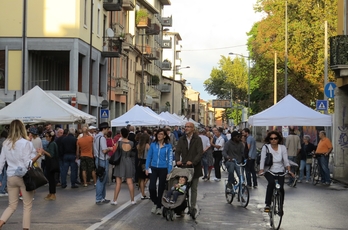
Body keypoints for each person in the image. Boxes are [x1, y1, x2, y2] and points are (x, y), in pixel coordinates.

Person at [0, 120, 42, 230]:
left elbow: (1, 162)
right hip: (24, 176)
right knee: (27, 205)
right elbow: (27, 163)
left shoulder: (5, 143)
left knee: (12, 205)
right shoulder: (26, 143)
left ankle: (0, 223)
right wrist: (38, 155)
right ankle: (25, 228)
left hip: (11, 177)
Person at [259, 130, 294, 212]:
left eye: (275, 138)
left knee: (281, 188)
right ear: (269, 139)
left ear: (278, 139)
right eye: (271, 139)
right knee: (271, 183)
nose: (273, 140)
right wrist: (261, 170)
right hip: (269, 170)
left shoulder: (283, 148)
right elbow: (262, 159)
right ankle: (267, 204)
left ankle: (280, 206)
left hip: (280, 170)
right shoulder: (266, 147)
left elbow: (286, 160)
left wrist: (289, 171)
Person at [175, 122, 203, 216]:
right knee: (182, 188)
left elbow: (200, 153)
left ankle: (192, 207)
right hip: (184, 167)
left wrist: (193, 162)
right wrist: (178, 160)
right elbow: (177, 151)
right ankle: (181, 207)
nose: (186, 128)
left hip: (195, 167)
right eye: (185, 127)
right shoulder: (181, 139)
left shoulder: (197, 139)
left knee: (193, 188)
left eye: (188, 127)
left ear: (193, 129)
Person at [145, 128, 173, 215]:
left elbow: (170, 159)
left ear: (165, 136)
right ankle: (157, 202)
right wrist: (146, 167)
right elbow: (149, 156)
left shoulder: (168, 146)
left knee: (161, 188)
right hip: (153, 168)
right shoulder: (153, 145)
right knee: (151, 187)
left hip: (163, 168)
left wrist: (169, 170)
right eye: (158, 134)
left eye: (161, 134)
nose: (159, 135)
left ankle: (158, 207)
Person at [111, 128, 136, 205]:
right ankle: (132, 200)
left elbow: (114, 150)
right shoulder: (131, 143)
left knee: (118, 182)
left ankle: (115, 200)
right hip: (128, 161)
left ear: (121, 134)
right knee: (130, 181)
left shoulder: (119, 143)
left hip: (120, 162)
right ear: (128, 134)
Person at [94, 122, 114, 204]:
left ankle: (102, 197)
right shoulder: (101, 138)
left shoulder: (96, 137)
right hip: (102, 159)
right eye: (107, 129)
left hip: (98, 159)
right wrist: (110, 148)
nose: (108, 130)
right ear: (104, 129)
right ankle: (99, 198)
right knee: (101, 180)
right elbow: (104, 150)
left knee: (102, 179)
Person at [39, 130, 59, 201]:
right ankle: (51, 193)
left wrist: (43, 151)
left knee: (52, 179)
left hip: (51, 164)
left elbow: (51, 154)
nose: (46, 138)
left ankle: (53, 193)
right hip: (50, 164)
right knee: (50, 179)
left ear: (51, 137)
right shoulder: (51, 143)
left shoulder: (52, 144)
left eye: (47, 136)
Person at [136, 133, 150, 199]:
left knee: (141, 178)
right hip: (146, 162)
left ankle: (142, 193)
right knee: (148, 176)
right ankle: (144, 185)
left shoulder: (138, 145)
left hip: (139, 162)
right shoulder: (147, 145)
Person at [0, 130, 8, 196]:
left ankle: (1, 188)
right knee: (5, 175)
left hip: (1, 160)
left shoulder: (0, 140)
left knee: (1, 175)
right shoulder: (5, 142)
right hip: (4, 160)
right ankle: (2, 190)